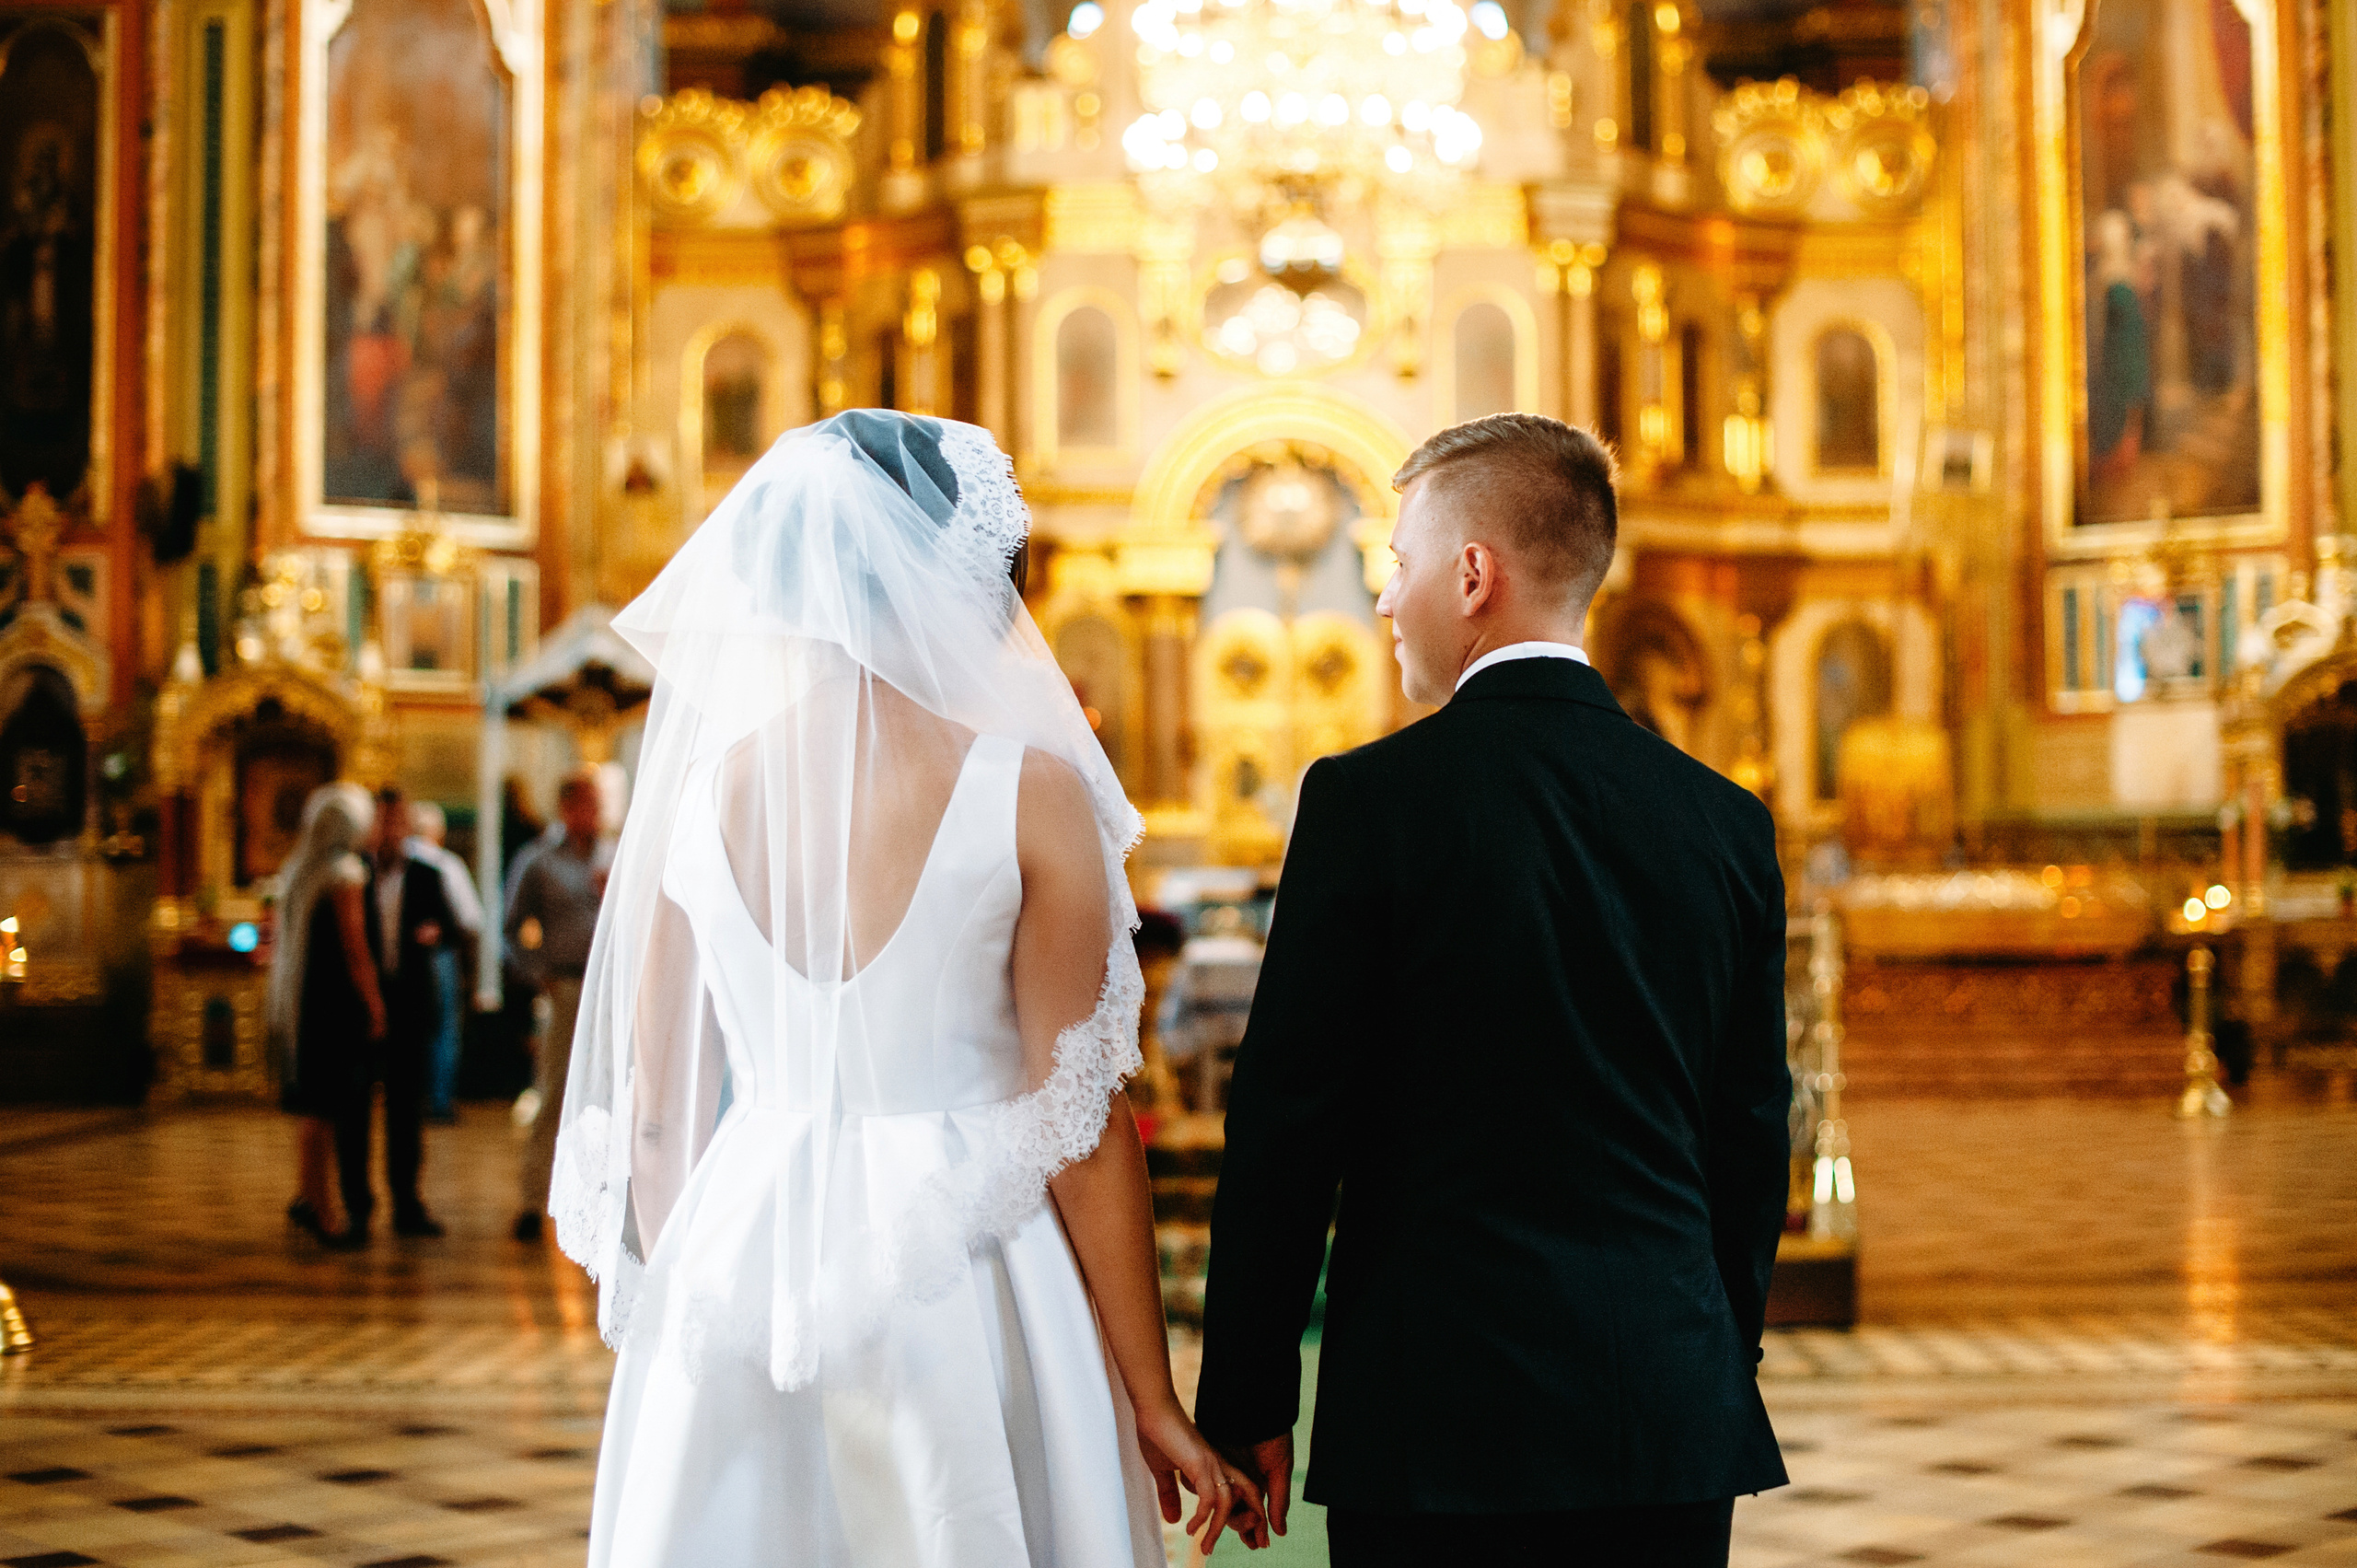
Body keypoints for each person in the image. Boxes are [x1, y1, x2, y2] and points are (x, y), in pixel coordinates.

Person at [551, 411, 1260, 1566]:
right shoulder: (1028, 793)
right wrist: (1149, 1393)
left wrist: (694, 1302)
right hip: (969, 1267)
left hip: (740, 1257)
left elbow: (663, 1110)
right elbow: (1078, 1126)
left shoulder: (698, 792)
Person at [1194, 413, 1792, 1568]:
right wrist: (1705, 1352)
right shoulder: (1724, 821)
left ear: (1474, 575)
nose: (1382, 601)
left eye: (1397, 566)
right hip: (1661, 1408)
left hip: (1434, 1415)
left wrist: (1248, 1395)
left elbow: (1285, 1128)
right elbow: (1750, 1137)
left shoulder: (1370, 803)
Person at [265, 782, 384, 1251]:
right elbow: (356, 949)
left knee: (312, 1109)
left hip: (306, 1002)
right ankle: (325, 1210)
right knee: (330, 1111)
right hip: (336, 1006)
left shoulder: (299, 869)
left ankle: (309, 1196)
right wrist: (375, 1004)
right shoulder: (344, 872)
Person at [506, 769, 608, 1243]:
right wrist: (538, 973)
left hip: (610, 988)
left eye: (599, 803)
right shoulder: (539, 861)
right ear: (567, 808)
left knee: (610, 1091)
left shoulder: (615, 855)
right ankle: (532, 1199)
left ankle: (603, 1200)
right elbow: (511, 928)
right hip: (566, 986)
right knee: (554, 1093)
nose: (596, 813)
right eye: (586, 803)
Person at [366, 785, 459, 1238]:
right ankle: (357, 1204)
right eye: (382, 820)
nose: (389, 830)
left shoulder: (425, 873)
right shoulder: (355, 872)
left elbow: (452, 927)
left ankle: (406, 1202)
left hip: (408, 1002)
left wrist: (435, 931)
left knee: (405, 1111)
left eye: (396, 821)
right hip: (362, 1003)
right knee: (356, 1109)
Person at [405, 799, 485, 1121]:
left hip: (403, 960)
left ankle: (412, 1096)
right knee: (443, 1029)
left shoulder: (398, 863)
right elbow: (470, 918)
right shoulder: (445, 864)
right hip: (439, 957)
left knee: (412, 1029)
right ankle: (439, 1101)